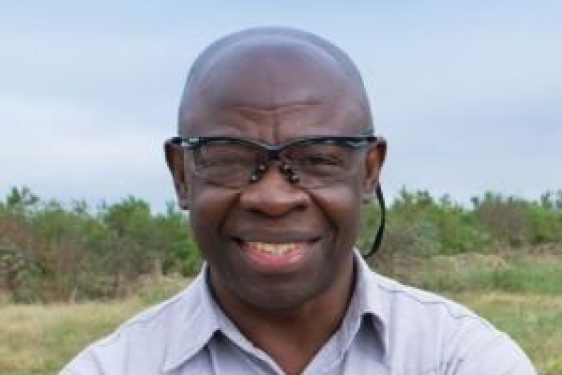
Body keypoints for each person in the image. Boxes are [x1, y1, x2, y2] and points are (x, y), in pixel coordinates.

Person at [60, 27, 536, 375]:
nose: (272, 197)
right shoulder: (114, 367)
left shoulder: (458, 359)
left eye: (317, 159)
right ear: (182, 176)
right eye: (228, 158)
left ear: (369, 171)